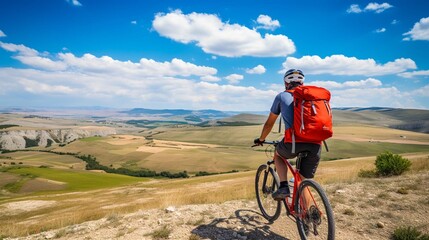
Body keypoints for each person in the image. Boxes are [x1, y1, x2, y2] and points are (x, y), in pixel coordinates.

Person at [254, 69, 322, 200]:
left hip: (293, 143)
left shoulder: (281, 96)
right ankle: (310, 216)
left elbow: (269, 124)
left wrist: (261, 139)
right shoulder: (314, 98)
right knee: (302, 182)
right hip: (316, 144)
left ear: (286, 83)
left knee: (278, 155)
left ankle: (283, 187)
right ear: (302, 82)